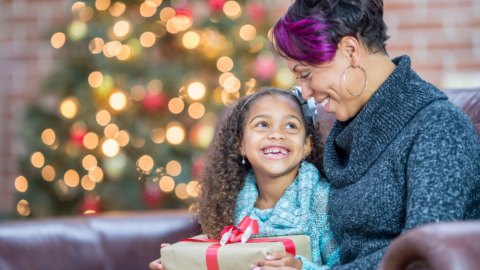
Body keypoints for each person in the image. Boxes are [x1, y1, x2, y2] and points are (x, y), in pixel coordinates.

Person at [263, 0, 480, 269]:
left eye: (305, 74)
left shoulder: (439, 128)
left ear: (350, 50)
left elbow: (419, 256)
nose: (305, 93)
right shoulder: (349, 128)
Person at [149, 88, 340, 270]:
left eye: (290, 125)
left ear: (307, 145)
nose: (276, 134)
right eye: (262, 125)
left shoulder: (322, 201)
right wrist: (181, 260)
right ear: (241, 144)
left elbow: (353, 265)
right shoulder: (229, 203)